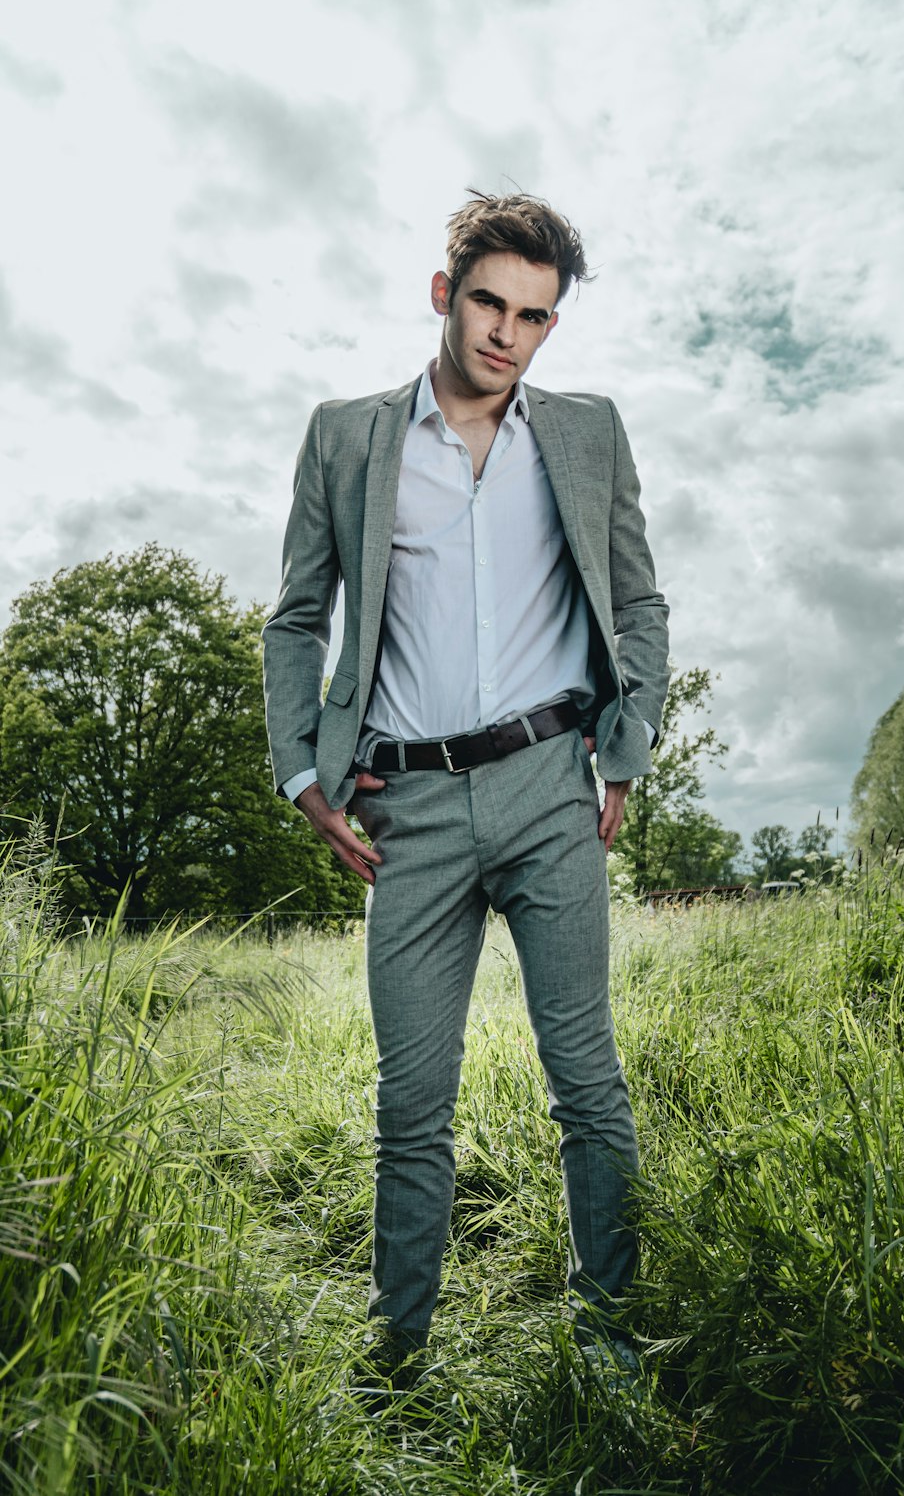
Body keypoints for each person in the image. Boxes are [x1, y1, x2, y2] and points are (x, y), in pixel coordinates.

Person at [262, 191, 670, 1385]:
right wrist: (301, 768)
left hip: (553, 787)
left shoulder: (588, 434)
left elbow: (637, 598)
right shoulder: (348, 437)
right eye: (489, 302)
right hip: (412, 809)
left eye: (534, 315)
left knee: (586, 1080)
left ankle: (607, 1338)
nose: (507, 332)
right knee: (412, 1101)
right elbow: (298, 614)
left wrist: (628, 744)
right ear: (445, 296)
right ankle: (397, 1357)